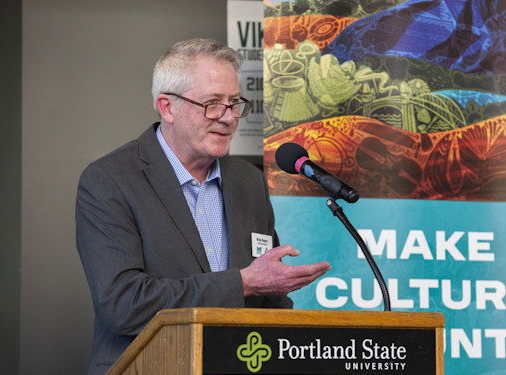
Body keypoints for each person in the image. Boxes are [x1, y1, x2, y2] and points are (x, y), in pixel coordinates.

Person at [75, 38, 331, 375]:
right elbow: (123, 305)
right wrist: (242, 283)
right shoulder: (110, 180)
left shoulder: (248, 181)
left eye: (234, 103)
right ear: (167, 107)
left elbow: (270, 299)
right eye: (212, 103)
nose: (228, 118)